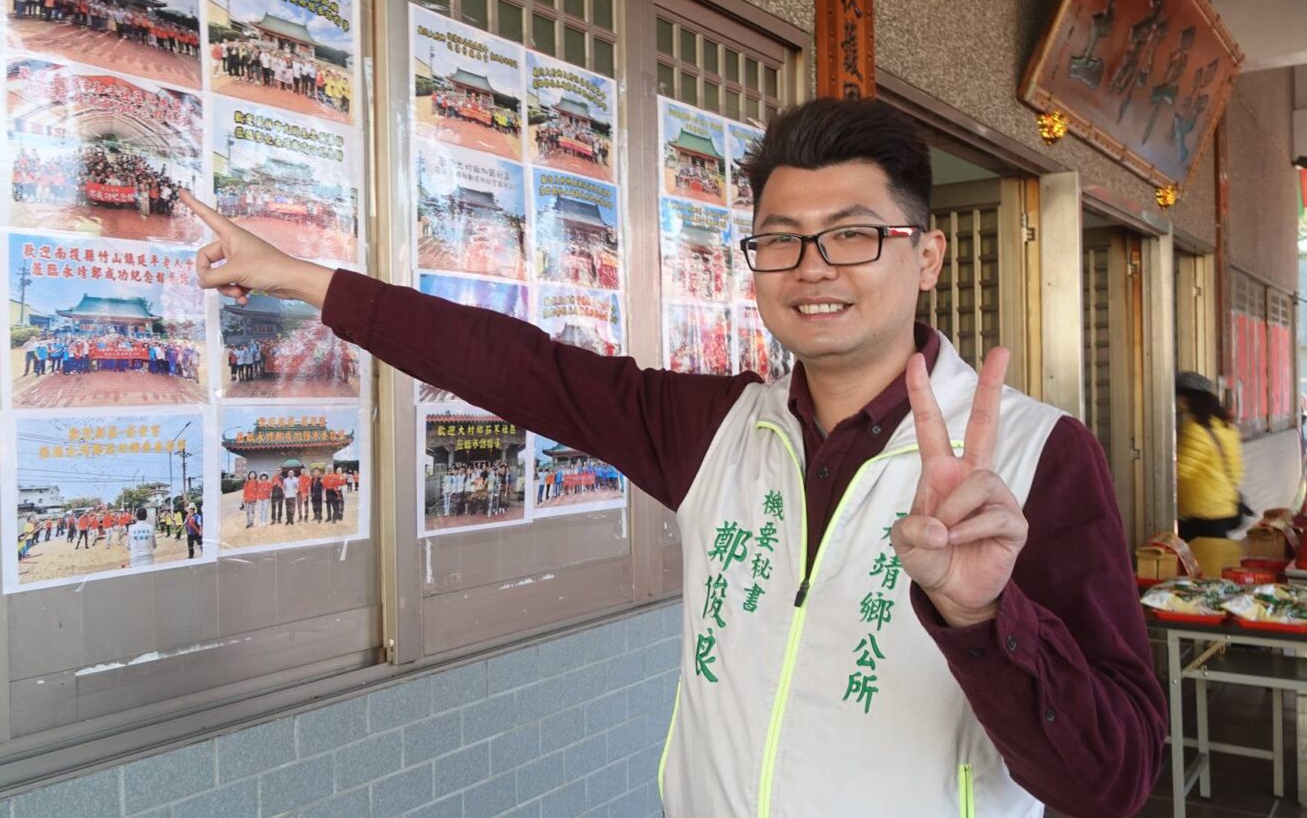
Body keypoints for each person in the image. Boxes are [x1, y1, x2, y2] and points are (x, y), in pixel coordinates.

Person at [178, 97, 1164, 817]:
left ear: (928, 256)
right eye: (782, 240)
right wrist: (300, 277)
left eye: (853, 236)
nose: (813, 269)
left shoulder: (1039, 458)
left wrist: (983, 616)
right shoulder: (714, 429)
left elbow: (1113, 781)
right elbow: (517, 366)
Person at [1176, 371, 1247, 539]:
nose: (1178, 402)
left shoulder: (1195, 429)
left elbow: (1180, 471)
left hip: (1202, 511)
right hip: (1225, 505)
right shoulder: (1225, 425)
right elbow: (1237, 469)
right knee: (1218, 552)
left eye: (1179, 396)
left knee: (1202, 554)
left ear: (1187, 398)